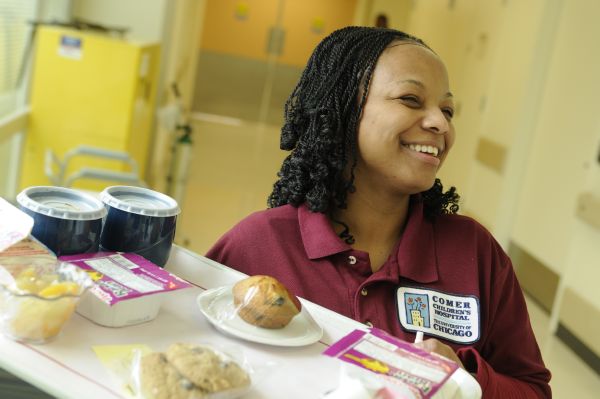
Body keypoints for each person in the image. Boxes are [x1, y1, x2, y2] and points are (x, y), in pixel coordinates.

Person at [206, 27, 551, 398]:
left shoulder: (475, 254)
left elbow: (532, 390)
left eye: (447, 110)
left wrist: (465, 377)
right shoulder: (257, 246)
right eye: (410, 99)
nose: (441, 123)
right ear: (343, 112)